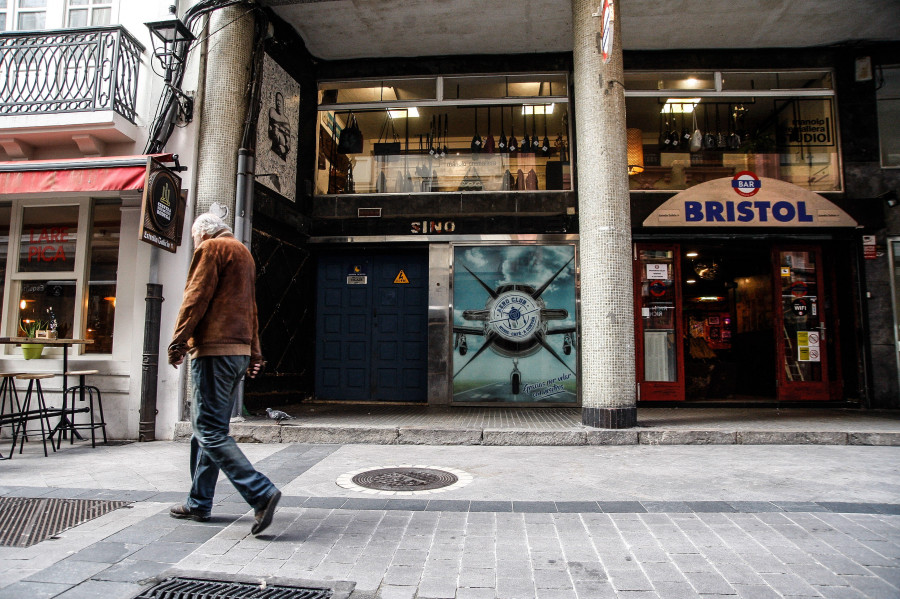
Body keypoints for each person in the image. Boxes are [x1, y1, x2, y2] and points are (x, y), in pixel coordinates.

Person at [167, 213, 281, 535]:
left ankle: (261, 493)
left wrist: (178, 341)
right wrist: (255, 351)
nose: (194, 245)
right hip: (238, 353)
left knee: (209, 431)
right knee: (205, 430)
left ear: (201, 233)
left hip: (215, 351)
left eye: (193, 239)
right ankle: (199, 502)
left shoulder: (212, 248)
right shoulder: (243, 252)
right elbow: (250, 308)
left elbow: (195, 297)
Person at [268, 91, 291, 160]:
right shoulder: (272, 112)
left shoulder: (285, 120)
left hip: (282, 151)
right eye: (277, 101)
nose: (278, 103)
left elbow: (288, 139)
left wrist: (285, 148)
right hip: (274, 148)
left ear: (283, 102)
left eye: (280, 101)